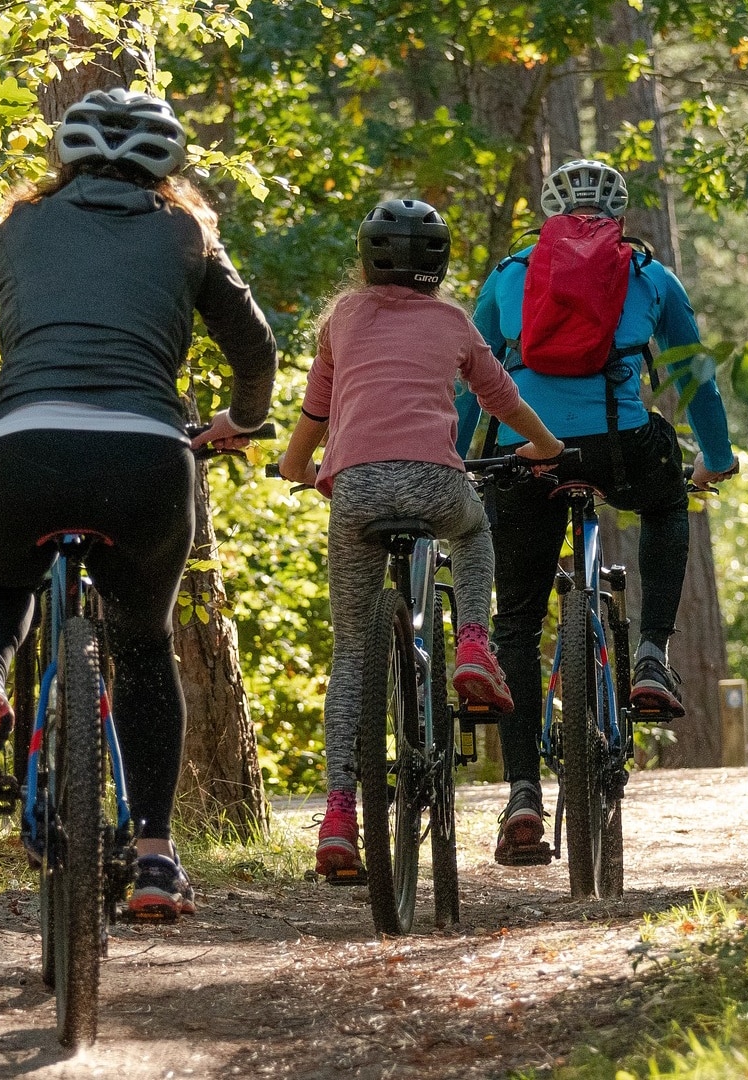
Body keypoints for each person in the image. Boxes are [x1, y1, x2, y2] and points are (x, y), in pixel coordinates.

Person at [0, 89, 277, 921]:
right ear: (169, 166)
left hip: (23, 447)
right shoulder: (187, 233)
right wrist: (243, 420)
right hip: (147, 457)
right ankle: (156, 855)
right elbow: (255, 347)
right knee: (146, 646)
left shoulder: (19, 227)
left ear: (65, 157)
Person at [455, 159, 737, 867]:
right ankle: (650, 655)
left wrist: (457, 455)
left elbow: (469, 377)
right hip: (621, 447)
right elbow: (694, 375)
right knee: (669, 506)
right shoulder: (649, 276)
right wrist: (718, 455)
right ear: (618, 215)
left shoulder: (510, 273)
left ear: (550, 212)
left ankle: (522, 792)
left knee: (516, 620)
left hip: (526, 452)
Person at [278, 199, 564, 881]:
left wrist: (297, 468)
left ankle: (340, 815)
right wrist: (546, 446)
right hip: (439, 486)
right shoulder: (453, 323)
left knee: (351, 654)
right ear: (438, 265)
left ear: (367, 257)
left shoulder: (342, 319)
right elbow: (499, 397)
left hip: (356, 493)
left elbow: (317, 409)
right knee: (473, 530)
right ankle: (472, 643)